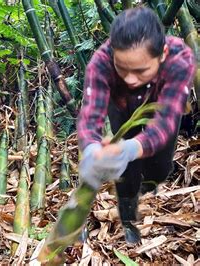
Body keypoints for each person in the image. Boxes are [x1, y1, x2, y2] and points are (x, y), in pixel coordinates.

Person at [77, 7, 196, 244]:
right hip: (121, 106)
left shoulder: (179, 59)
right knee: (127, 171)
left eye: (141, 70)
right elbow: (90, 116)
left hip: (159, 108)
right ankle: (129, 217)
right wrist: (91, 148)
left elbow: (166, 120)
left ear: (162, 54)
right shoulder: (101, 62)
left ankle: (151, 186)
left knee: (160, 167)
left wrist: (133, 148)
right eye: (122, 68)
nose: (130, 79)